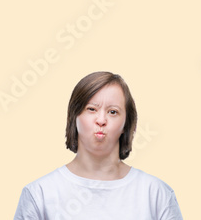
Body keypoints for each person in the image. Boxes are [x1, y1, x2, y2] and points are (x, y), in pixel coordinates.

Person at [14, 71, 183, 220]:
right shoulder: (39, 194)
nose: (101, 120)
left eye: (113, 112)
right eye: (91, 109)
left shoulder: (156, 194)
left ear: (126, 123)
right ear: (74, 116)